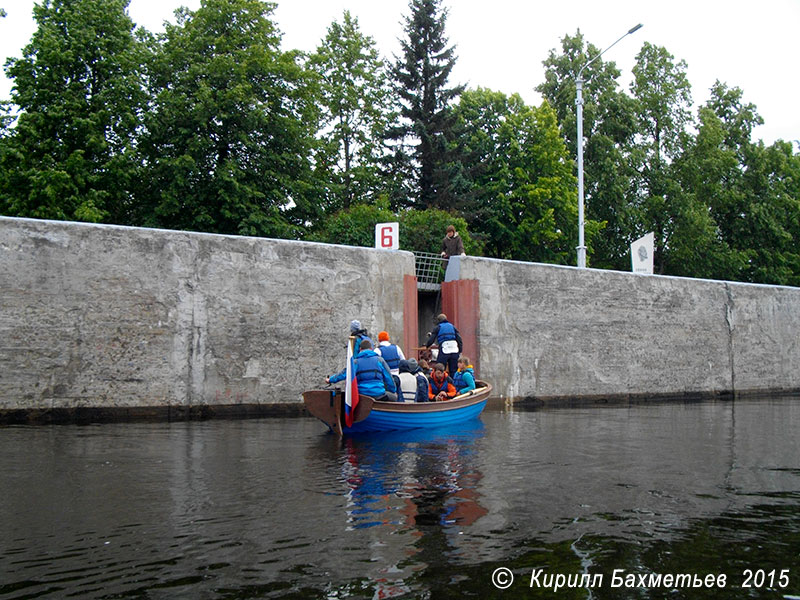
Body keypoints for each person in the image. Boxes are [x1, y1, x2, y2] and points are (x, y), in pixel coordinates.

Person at [327, 339, 398, 402]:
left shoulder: (355, 362)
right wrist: (393, 391)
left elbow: (344, 374)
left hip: (362, 395)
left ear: (360, 349)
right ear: (371, 348)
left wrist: (330, 380)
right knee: (394, 397)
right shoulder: (380, 360)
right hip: (379, 394)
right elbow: (389, 379)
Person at [424, 313, 462, 378]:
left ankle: (441, 383)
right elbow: (459, 339)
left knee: (440, 368)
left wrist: (427, 346)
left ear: (438, 321)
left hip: (445, 349)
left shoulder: (438, 327)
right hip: (454, 349)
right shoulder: (452, 327)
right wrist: (460, 350)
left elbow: (432, 339)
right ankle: (454, 384)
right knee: (454, 370)